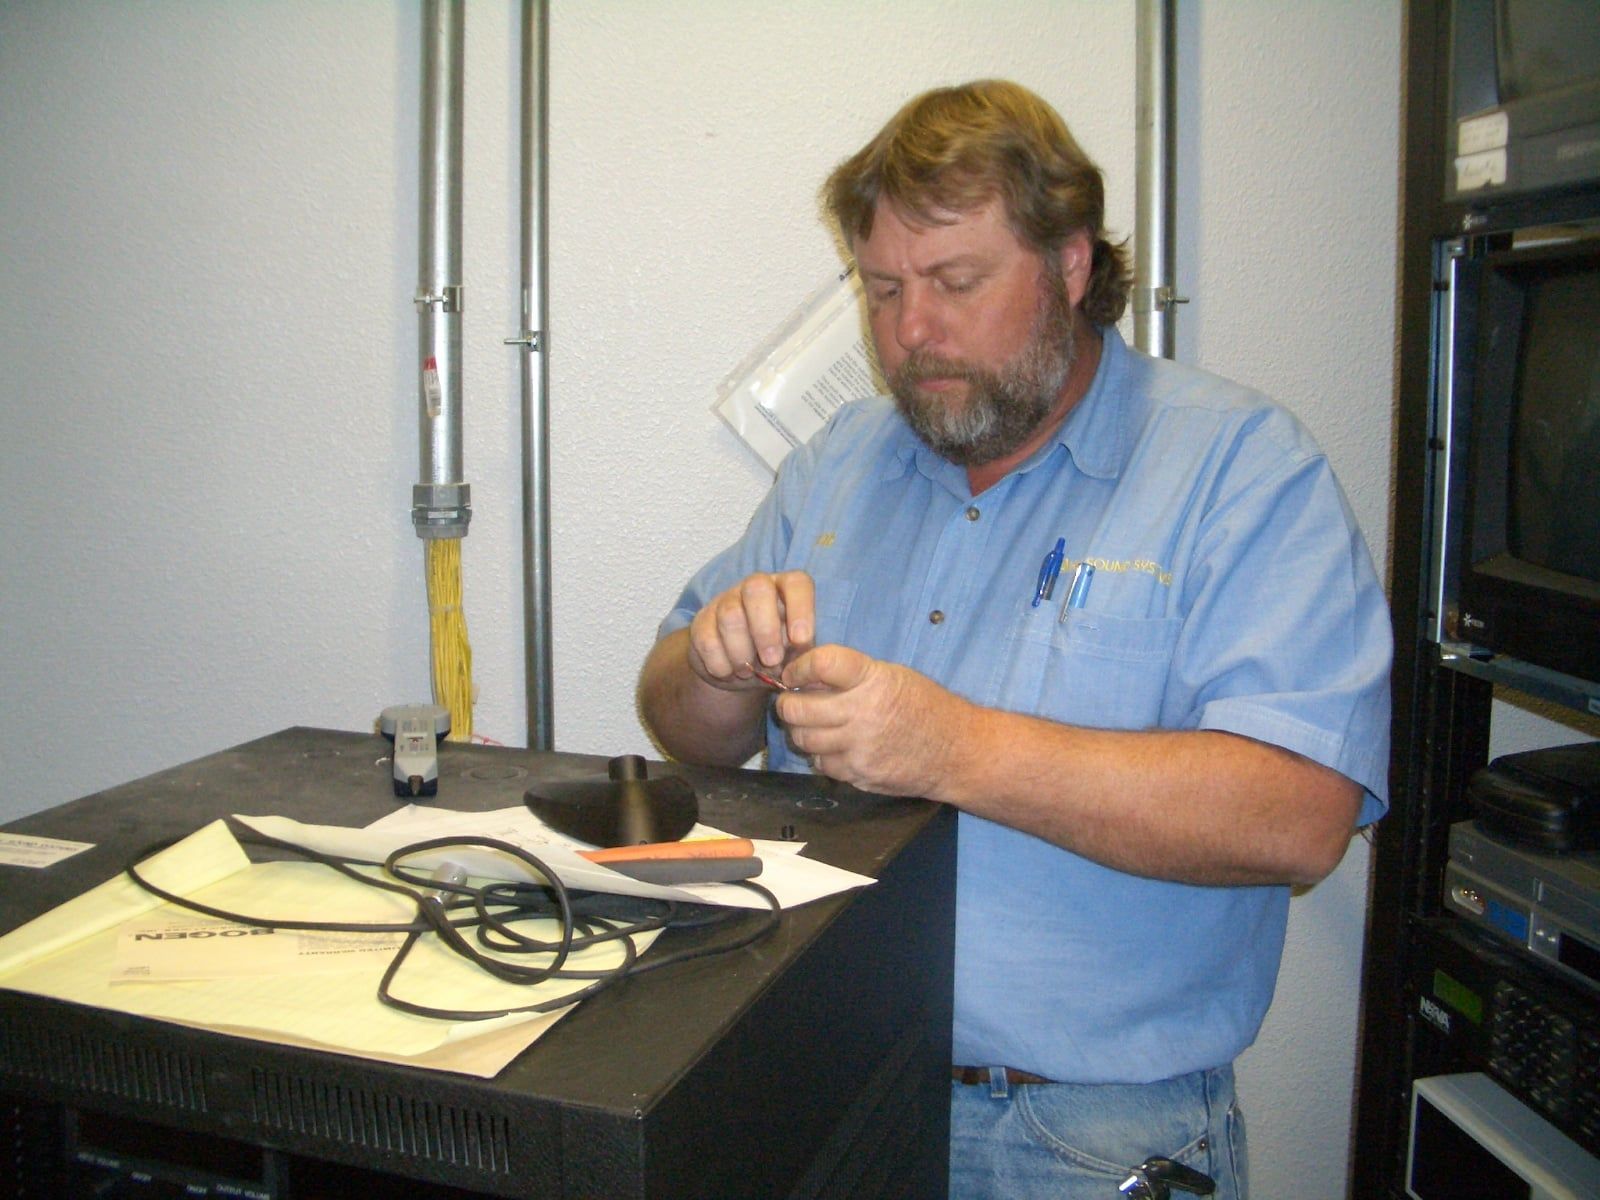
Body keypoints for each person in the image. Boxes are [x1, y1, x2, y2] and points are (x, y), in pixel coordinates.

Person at [637, 79, 1390, 1199]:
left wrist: (953, 749)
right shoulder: (838, 461)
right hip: (822, 1091)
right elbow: (680, 725)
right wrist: (714, 660)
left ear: (1071, 265)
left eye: (954, 282)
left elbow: (1299, 816)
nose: (910, 331)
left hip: (1086, 1142)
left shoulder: (1240, 469)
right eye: (881, 289)